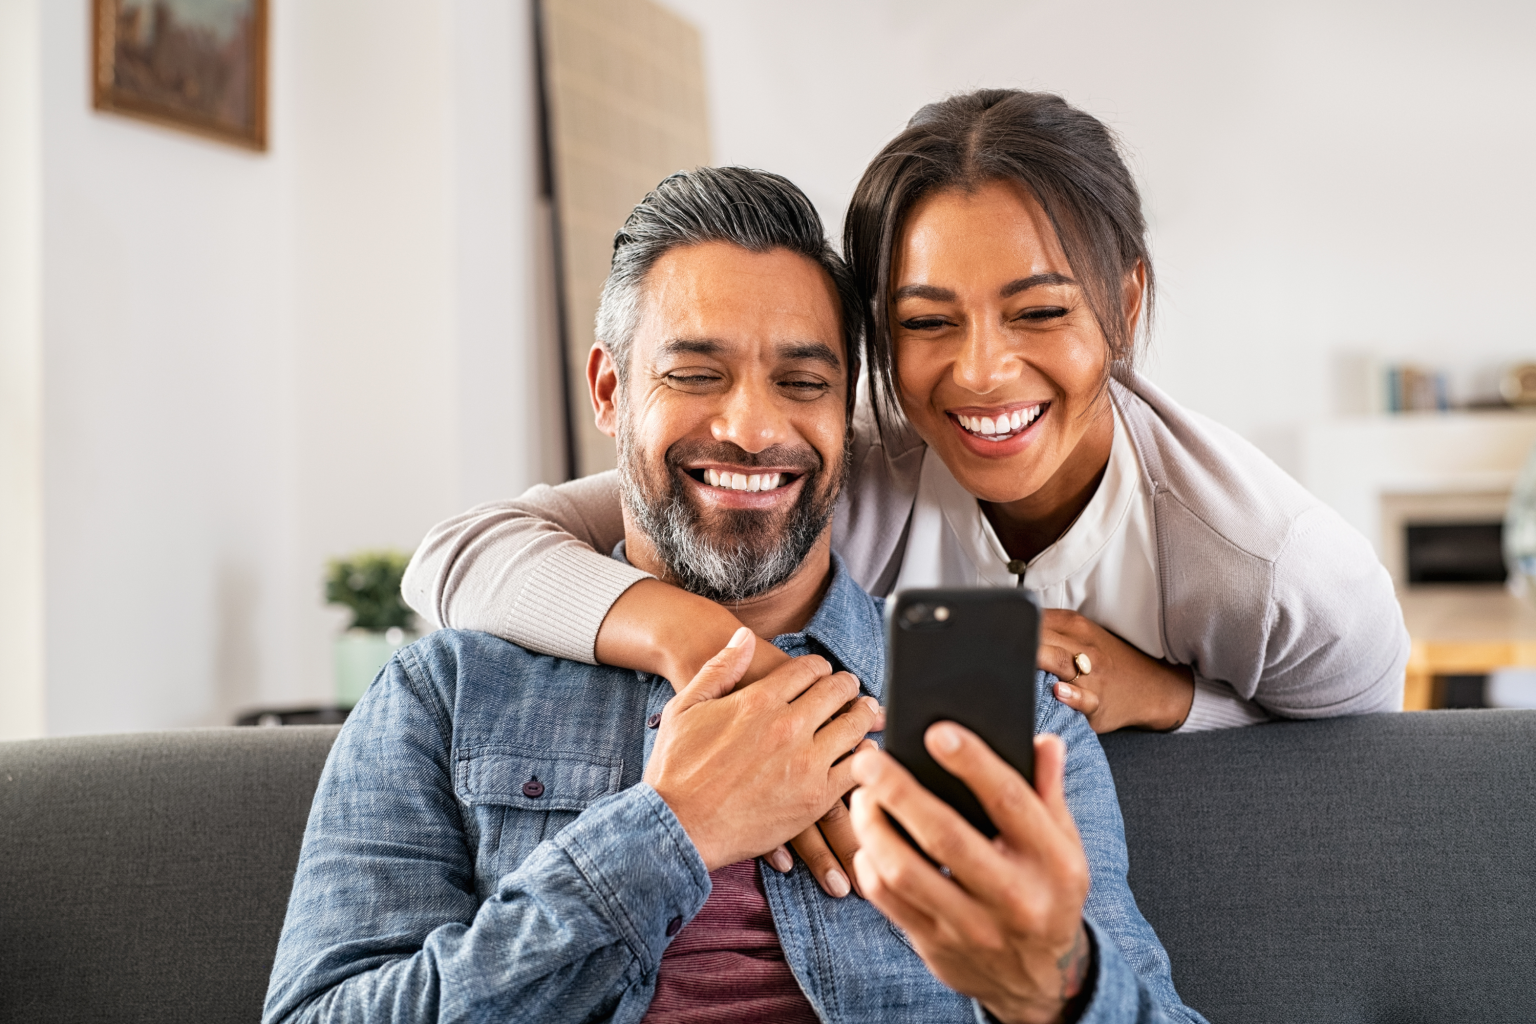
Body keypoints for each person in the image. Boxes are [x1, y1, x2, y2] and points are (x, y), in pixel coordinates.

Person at [402, 89, 1409, 898]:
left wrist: (1168, 698)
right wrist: (715, 647)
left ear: (1125, 301)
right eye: (928, 322)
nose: (980, 374)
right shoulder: (847, 475)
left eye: (1040, 310)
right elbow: (462, 554)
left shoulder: (1267, 562)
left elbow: (1365, 747)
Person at [265, 167, 1204, 1024]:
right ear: (609, 390)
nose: (753, 428)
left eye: (802, 382)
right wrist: (669, 832)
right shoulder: (445, 696)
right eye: (695, 375)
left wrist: (1060, 984)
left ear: (848, 415)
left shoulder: (1017, 714)